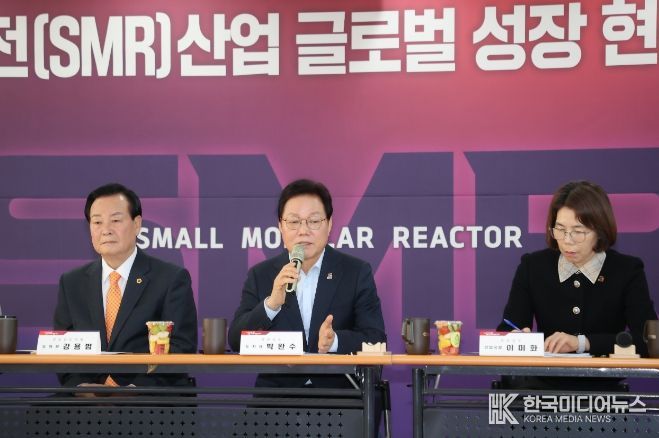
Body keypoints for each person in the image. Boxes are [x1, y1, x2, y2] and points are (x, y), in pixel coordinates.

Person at [496, 181, 657, 389]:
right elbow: (508, 328)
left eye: (578, 231)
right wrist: (516, 338)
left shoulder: (626, 270)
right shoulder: (533, 266)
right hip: (540, 387)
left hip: (602, 391)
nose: (567, 240)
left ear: (600, 230)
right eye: (560, 229)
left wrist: (583, 343)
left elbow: (650, 341)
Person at [228, 179, 386, 388]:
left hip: (339, 397)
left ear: (329, 224)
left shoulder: (355, 272)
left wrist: (334, 341)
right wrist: (271, 305)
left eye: (313, 221)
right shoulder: (261, 275)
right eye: (294, 222)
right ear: (280, 226)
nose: (303, 231)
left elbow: (376, 340)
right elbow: (236, 341)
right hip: (277, 398)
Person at [54, 183, 198, 390]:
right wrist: (83, 388)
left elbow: (180, 348)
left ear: (137, 224)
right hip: (85, 399)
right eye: (97, 222)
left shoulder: (170, 279)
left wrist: (131, 390)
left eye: (115, 220)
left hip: (146, 398)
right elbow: (62, 350)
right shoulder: (72, 283)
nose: (106, 230)